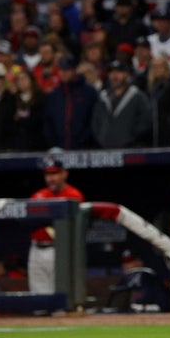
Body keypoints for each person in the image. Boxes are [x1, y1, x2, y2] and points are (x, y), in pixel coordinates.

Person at [29, 157, 85, 294]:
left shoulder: (73, 195)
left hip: (59, 250)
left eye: (54, 174)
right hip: (36, 249)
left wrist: (44, 218)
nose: (50, 178)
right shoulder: (38, 195)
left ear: (64, 174)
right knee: (38, 296)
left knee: (60, 294)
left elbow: (73, 226)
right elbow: (28, 221)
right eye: (47, 174)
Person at [91, 59, 152, 149]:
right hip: (106, 150)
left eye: (118, 72)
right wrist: (102, 138)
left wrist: (130, 138)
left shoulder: (137, 96)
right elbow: (95, 123)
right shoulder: (103, 97)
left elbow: (145, 121)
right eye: (111, 72)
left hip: (131, 150)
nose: (114, 75)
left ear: (127, 74)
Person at [43, 56, 99, 149]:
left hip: (85, 148)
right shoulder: (54, 95)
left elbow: (95, 120)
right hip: (59, 148)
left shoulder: (89, 92)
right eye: (61, 70)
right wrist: (53, 145)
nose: (63, 73)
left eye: (67, 70)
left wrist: (86, 140)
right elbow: (48, 122)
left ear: (74, 70)